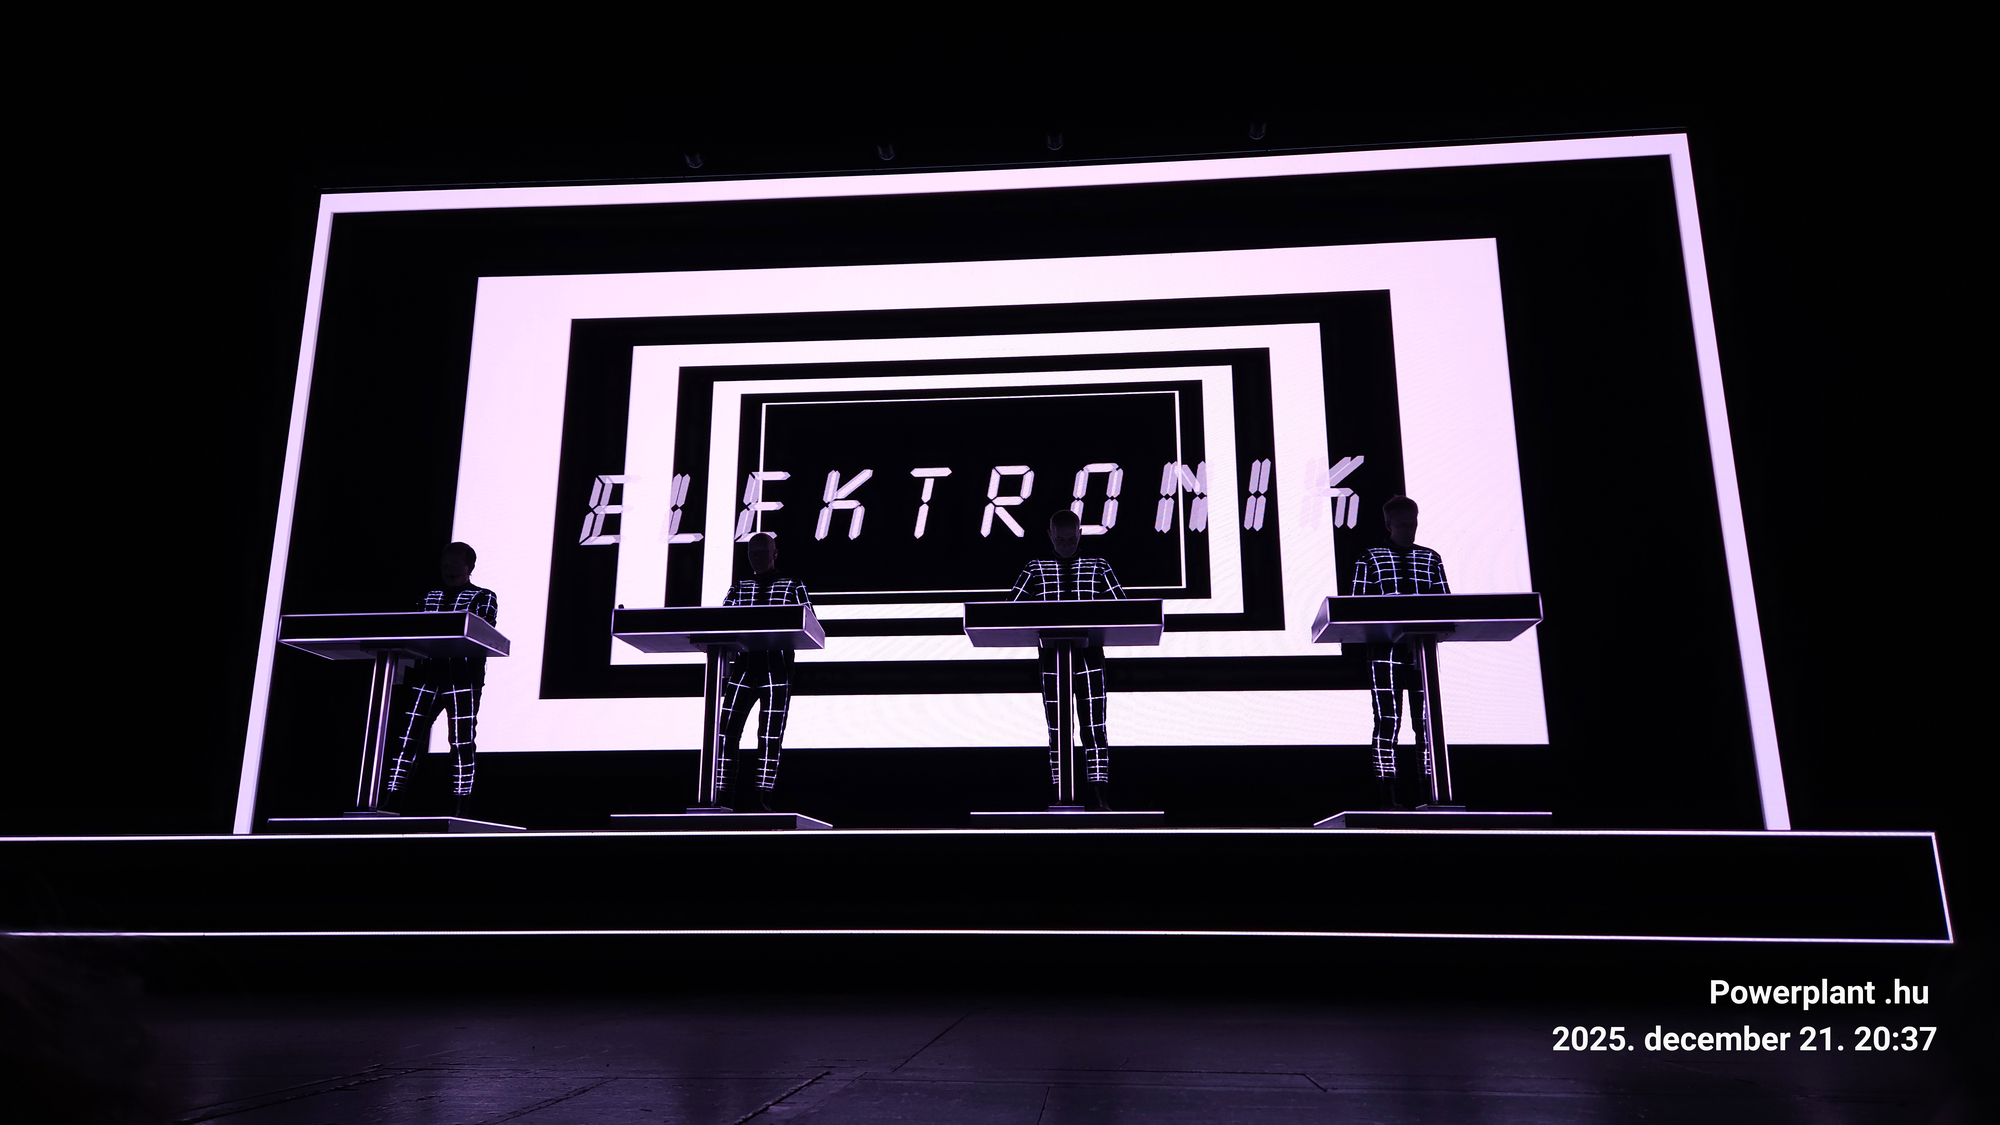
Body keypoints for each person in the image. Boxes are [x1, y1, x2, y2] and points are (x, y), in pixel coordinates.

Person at [1010, 509, 1126, 811]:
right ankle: (1060, 793)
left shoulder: (1099, 566)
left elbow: (1125, 611)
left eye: (1071, 539)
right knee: (1057, 731)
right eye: (1060, 539)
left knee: (1095, 727)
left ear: (1080, 535)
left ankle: (1099, 795)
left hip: (1090, 658)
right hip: (1052, 661)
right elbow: (1009, 612)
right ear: (1050, 535)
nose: (1066, 545)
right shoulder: (1035, 569)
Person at [385, 541, 498, 816]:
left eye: (454, 563)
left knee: (461, 741)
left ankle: (461, 804)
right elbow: (411, 627)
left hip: (462, 678)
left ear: (469, 566)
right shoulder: (428, 595)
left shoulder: (483, 596)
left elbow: (482, 629)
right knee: (408, 737)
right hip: (427, 676)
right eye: (445, 563)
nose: (448, 568)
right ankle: (393, 799)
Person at [1352, 496, 1450, 809]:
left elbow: (1447, 606)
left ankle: (1429, 791)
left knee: (1426, 722)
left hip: (1423, 652)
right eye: (1404, 524)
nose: (1410, 530)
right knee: (1387, 720)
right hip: (1385, 651)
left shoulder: (1431, 559)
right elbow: (1354, 610)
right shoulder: (1370, 558)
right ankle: (1388, 795)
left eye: (1413, 524)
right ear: (1389, 524)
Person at [717, 532, 810, 812]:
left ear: (775, 554)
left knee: (770, 736)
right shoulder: (739, 587)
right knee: (725, 732)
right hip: (743, 669)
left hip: (776, 670)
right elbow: (719, 624)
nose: (756, 558)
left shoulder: (793, 585)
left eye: (762, 552)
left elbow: (809, 624)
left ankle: (762, 799)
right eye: (752, 553)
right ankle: (722, 796)